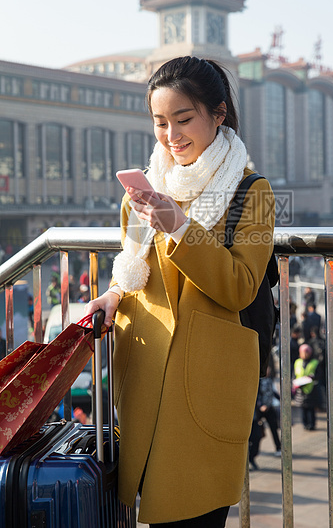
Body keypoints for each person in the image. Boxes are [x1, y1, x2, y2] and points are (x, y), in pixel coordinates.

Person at [85, 56, 276, 527]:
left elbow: (240, 286)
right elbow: (132, 272)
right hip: (144, 376)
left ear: (219, 113)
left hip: (205, 383)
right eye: (160, 122)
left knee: (193, 511)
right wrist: (112, 296)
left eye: (184, 119)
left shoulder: (251, 191)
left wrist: (181, 228)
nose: (172, 135)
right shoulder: (146, 190)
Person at [293, 344, 319, 431]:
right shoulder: (297, 362)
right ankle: (305, 424)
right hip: (300, 389)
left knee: (311, 408)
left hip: (311, 389)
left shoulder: (315, 362)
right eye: (303, 352)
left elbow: (319, 374)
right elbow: (294, 374)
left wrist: (312, 377)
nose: (305, 354)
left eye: (306, 352)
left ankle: (312, 424)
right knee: (302, 408)